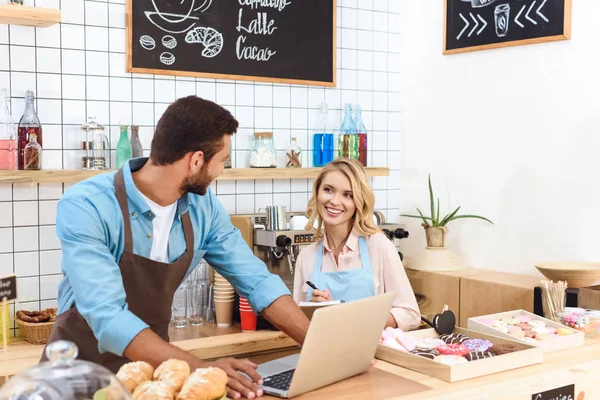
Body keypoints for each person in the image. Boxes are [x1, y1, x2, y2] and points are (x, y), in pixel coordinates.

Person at [42, 96, 309, 400]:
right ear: (196, 160)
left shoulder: (204, 208)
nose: (222, 170)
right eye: (222, 160)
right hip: (76, 374)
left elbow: (257, 281)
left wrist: (316, 342)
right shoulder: (87, 205)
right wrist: (201, 368)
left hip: (156, 377)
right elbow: (108, 316)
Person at [292, 158, 421, 331]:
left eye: (348, 195)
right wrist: (314, 311)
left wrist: (359, 318)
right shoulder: (306, 257)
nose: (335, 201)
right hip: (324, 354)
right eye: (328, 190)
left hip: (373, 355)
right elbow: (298, 324)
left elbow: (410, 314)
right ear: (317, 192)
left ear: (358, 202)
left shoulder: (378, 246)